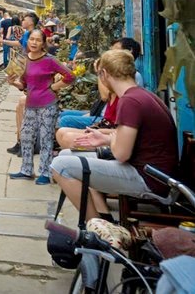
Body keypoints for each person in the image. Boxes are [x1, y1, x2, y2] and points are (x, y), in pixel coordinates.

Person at [51, 49, 178, 221]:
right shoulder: (142, 95)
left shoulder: (129, 101)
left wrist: (110, 142)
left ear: (104, 74)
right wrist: (106, 138)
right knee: (67, 154)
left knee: (60, 165)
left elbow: (121, 154)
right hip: (155, 173)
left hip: (148, 179)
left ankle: (97, 229)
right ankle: (100, 219)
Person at [7, 29, 74, 185]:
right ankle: (26, 170)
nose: (34, 43)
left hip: (48, 105)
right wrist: (12, 82)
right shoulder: (23, 59)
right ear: (28, 41)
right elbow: (24, 84)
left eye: (38, 40)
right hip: (30, 104)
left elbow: (70, 76)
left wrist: (53, 87)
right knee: (26, 136)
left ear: (43, 43)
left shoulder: (50, 60)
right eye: (31, 39)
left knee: (45, 138)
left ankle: (45, 172)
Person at [3, 12, 39, 156]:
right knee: (19, 107)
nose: (22, 21)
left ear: (31, 21)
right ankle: (20, 142)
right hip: (26, 71)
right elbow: (19, 45)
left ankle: (25, 143)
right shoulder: (25, 34)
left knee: (22, 106)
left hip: (31, 74)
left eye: (25, 19)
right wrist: (3, 41)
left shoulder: (34, 35)